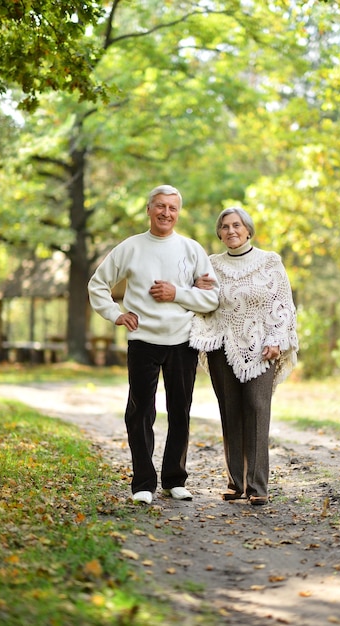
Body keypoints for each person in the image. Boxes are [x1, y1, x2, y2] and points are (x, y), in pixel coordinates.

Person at [88, 185, 219, 505]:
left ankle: (174, 479)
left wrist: (178, 293)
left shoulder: (192, 249)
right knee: (140, 412)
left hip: (182, 341)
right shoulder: (131, 247)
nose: (166, 213)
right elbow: (98, 284)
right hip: (143, 340)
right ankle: (143, 482)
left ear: (179, 213)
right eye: (160, 206)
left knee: (180, 411)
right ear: (148, 210)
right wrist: (115, 315)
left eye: (173, 208)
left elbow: (212, 297)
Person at [190, 207, 298, 505]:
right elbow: (202, 302)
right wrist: (194, 289)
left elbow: (283, 304)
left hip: (262, 344)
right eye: (224, 227)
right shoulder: (211, 265)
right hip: (221, 345)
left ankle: (258, 486)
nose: (231, 231)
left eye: (236, 225)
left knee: (256, 405)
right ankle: (236, 483)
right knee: (230, 410)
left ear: (248, 230)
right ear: (219, 233)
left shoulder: (269, 261)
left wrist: (278, 339)